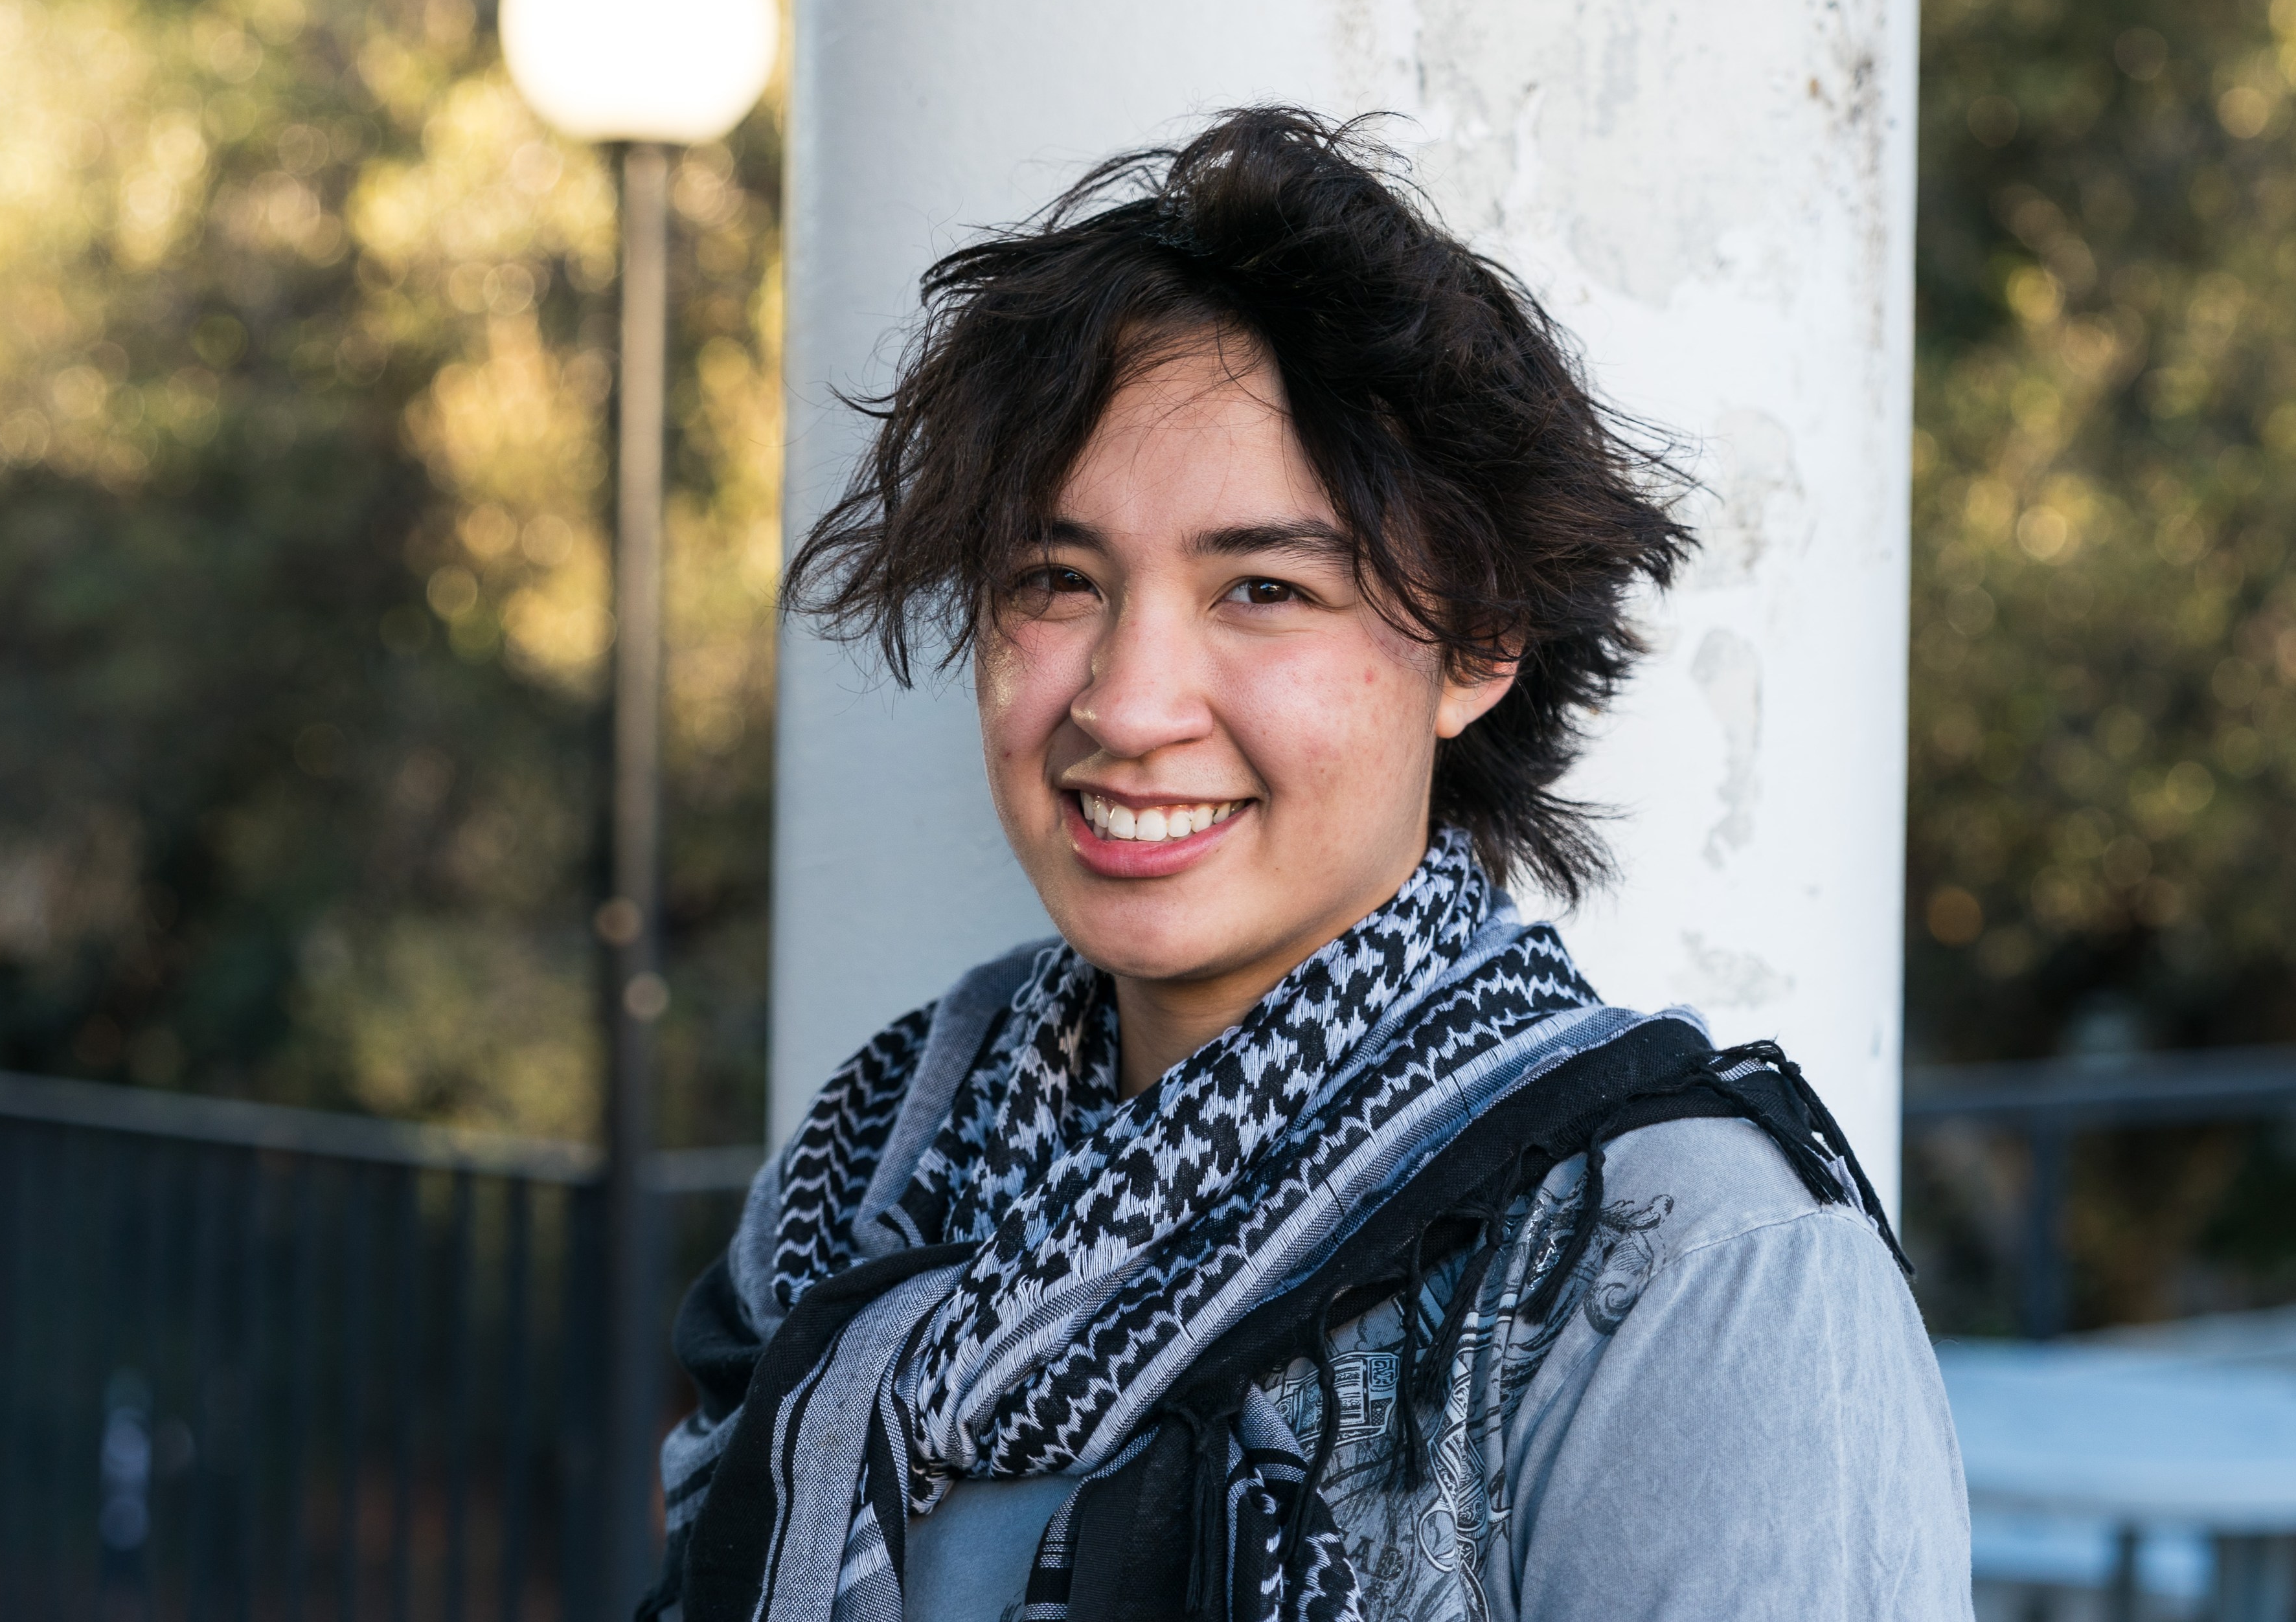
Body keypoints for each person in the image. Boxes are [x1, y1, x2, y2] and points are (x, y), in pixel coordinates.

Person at [645, 109, 1971, 1622]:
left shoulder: (1687, 1273)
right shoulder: (870, 1168)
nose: (1127, 703)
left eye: (1263, 587)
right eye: (1055, 580)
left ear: (1475, 643)